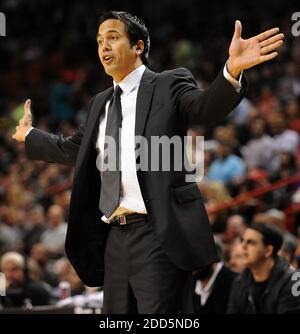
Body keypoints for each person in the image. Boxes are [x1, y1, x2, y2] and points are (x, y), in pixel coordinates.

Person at [12, 11, 284, 313]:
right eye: (100, 40)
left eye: (113, 38)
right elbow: (73, 149)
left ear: (138, 46)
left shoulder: (168, 84)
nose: (103, 46)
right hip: (114, 235)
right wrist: (30, 136)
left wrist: (231, 71)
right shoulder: (100, 102)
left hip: (159, 232)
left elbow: (204, 108)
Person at [227, 223, 300, 314]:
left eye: (251, 242)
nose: (243, 246)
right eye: (242, 240)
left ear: (268, 250)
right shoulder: (240, 280)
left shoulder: (294, 280)